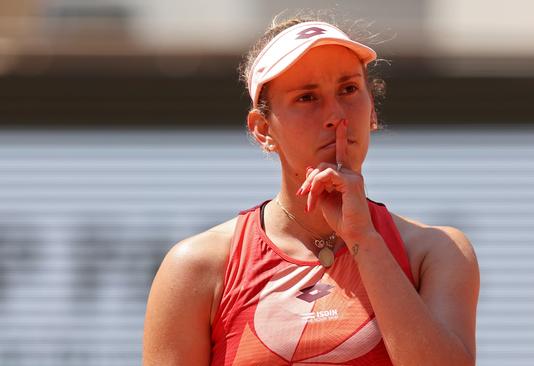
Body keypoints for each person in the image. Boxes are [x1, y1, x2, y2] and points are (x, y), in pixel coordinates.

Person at [143, 14, 480, 366]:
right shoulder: (197, 267)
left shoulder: (437, 252)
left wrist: (363, 239)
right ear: (262, 130)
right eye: (307, 97)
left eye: (349, 90)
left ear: (372, 112)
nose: (335, 114)